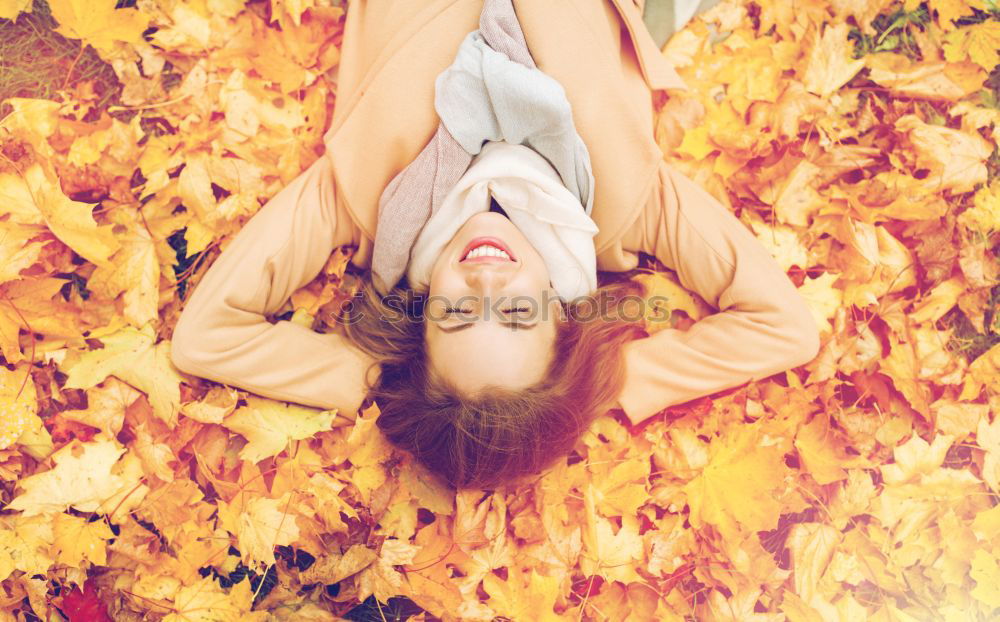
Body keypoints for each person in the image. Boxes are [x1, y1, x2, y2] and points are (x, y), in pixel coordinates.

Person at [170, 0, 820, 489]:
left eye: (456, 313)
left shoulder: (366, 196)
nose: (485, 285)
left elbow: (207, 337)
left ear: (421, 313)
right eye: (515, 314)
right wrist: (599, 389)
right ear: (565, 314)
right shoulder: (626, 206)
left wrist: (376, 382)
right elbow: (784, 327)